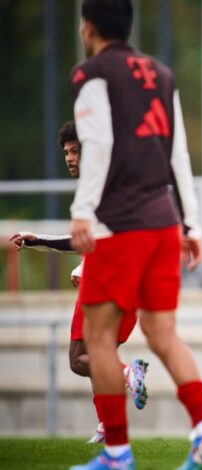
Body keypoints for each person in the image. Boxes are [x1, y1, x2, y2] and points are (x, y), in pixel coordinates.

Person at [67, 1, 202, 469]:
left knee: (96, 341)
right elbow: (178, 153)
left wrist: (83, 210)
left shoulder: (90, 73)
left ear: (88, 26)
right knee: (162, 333)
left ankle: (116, 452)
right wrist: (191, 223)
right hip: (164, 221)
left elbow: (98, 144)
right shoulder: (161, 72)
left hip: (120, 221)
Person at [9, 121, 149, 445]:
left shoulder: (96, 190)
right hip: (130, 284)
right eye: (67, 153)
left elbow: (87, 241)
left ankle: (129, 374)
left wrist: (43, 243)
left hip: (103, 284)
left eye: (76, 151)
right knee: (99, 355)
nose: (70, 158)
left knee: (78, 359)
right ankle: (109, 426)